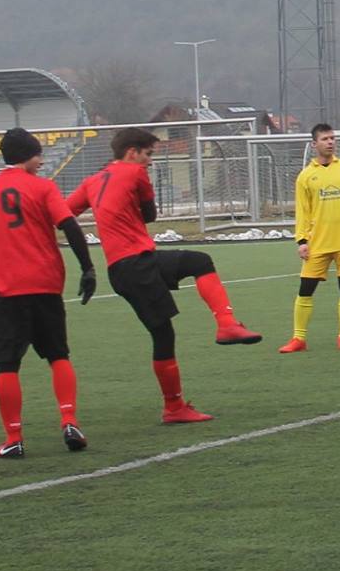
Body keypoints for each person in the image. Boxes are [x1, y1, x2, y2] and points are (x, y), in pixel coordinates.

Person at [66, 127, 262, 424]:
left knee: (163, 334)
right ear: (132, 152)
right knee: (199, 262)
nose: (150, 161)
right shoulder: (135, 173)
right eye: (148, 154)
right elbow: (150, 215)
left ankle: (175, 406)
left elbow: (64, 213)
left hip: (120, 270)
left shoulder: (92, 181)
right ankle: (226, 326)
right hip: (138, 263)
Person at [0, 128, 98, 458]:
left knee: (7, 365)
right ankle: (69, 421)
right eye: (39, 155)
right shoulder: (43, 187)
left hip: (6, 289)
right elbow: (69, 225)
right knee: (58, 355)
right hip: (45, 284)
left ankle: (13, 438)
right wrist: (87, 267)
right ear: (28, 156)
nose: (41, 162)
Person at [280, 124, 340, 353]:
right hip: (318, 243)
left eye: (332, 138)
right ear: (314, 144)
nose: (330, 142)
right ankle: (299, 338)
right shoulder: (305, 176)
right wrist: (302, 241)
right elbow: (302, 212)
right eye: (325, 139)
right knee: (305, 289)